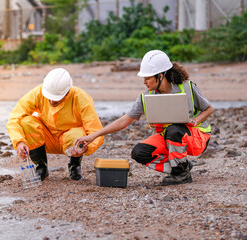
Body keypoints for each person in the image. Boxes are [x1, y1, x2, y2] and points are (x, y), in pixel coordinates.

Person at [75, 50, 213, 186]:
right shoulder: (146, 97)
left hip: (197, 138)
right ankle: (182, 168)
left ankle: (181, 174)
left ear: (160, 76)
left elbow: (208, 109)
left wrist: (195, 121)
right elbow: (124, 120)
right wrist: (94, 136)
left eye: (147, 78)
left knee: (174, 130)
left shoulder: (188, 87)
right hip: (169, 139)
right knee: (139, 152)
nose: (144, 82)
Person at [6, 68, 104, 181]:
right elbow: (14, 118)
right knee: (26, 122)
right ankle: (41, 167)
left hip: (71, 141)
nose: (52, 102)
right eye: (49, 98)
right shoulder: (37, 92)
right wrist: (19, 142)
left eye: (56, 99)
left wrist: (86, 148)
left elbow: (96, 131)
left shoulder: (80, 97)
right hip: (44, 139)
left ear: (67, 92)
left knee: (78, 134)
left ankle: (74, 166)